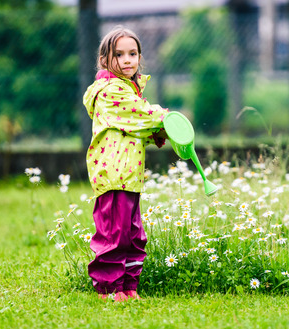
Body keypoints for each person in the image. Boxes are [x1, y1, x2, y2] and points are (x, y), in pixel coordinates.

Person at [83, 26, 168, 302]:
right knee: (113, 234)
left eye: (133, 53)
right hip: (112, 173)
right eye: (119, 54)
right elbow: (139, 115)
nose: (128, 59)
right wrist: (164, 118)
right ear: (104, 60)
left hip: (129, 176)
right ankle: (108, 289)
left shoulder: (129, 90)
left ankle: (129, 287)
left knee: (133, 235)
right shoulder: (110, 92)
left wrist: (160, 131)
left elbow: (141, 124)